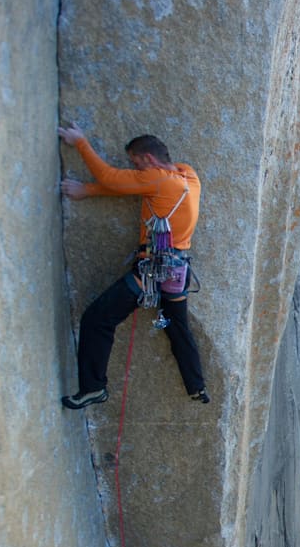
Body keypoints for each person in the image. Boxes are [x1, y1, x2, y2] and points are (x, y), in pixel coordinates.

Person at [58, 124, 210, 408]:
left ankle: (93, 388)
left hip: (152, 270)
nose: (135, 169)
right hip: (179, 272)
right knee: (175, 326)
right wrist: (88, 191)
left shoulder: (157, 180)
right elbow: (132, 187)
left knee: (98, 319)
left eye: (136, 163)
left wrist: (80, 142)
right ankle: (196, 386)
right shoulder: (187, 174)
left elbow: (112, 178)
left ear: (149, 160)